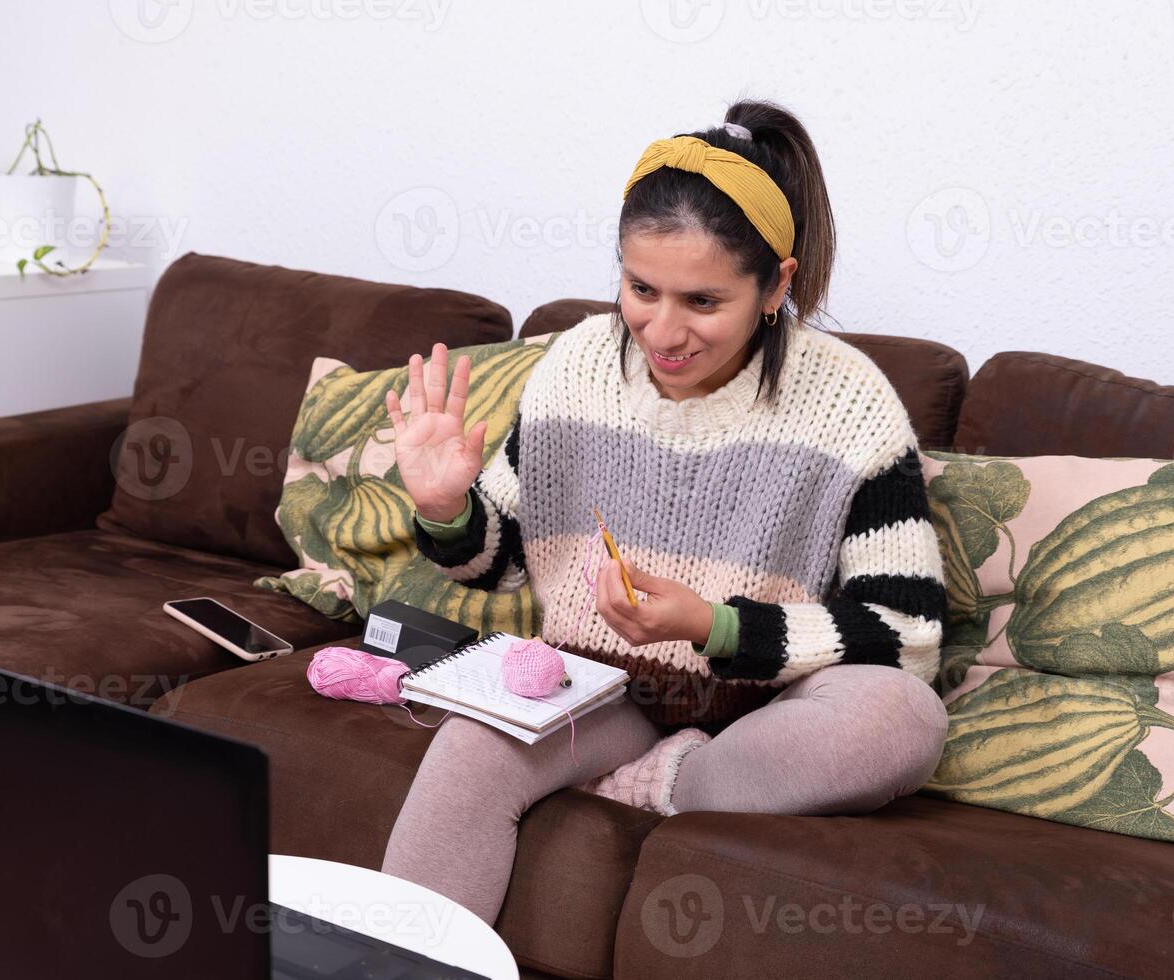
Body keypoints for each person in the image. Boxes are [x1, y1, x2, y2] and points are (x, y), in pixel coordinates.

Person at [379, 100, 950, 925]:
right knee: (469, 746)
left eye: (703, 302)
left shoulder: (849, 401)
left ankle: (671, 783)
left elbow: (908, 632)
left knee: (902, 720)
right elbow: (498, 560)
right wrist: (442, 509)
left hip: (761, 714)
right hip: (594, 690)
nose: (663, 330)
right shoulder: (575, 363)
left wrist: (715, 625)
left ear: (775, 287)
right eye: (640, 288)